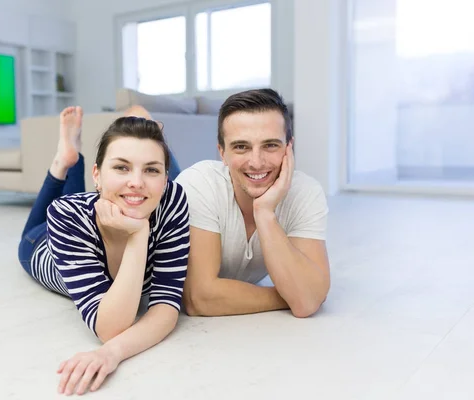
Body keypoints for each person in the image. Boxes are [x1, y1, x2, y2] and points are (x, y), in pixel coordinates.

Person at [17, 106, 190, 396]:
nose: (137, 181)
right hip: (42, 245)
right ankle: (64, 160)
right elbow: (110, 327)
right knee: (33, 229)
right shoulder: (66, 216)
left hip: (94, 207)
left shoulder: (172, 200)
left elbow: (166, 307)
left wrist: (112, 354)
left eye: (151, 169)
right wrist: (138, 234)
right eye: (122, 167)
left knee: (97, 198)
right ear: (96, 175)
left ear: (165, 177)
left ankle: (71, 156)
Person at [174, 88, 330, 318]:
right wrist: (289, 294)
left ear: (289, 148)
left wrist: (265, 213)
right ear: (222, 153)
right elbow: (199, 299)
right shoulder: (198, 184)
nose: (256, 162)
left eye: (270, 145)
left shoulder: (306, 192)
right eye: (241, 147)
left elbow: (306, 303)